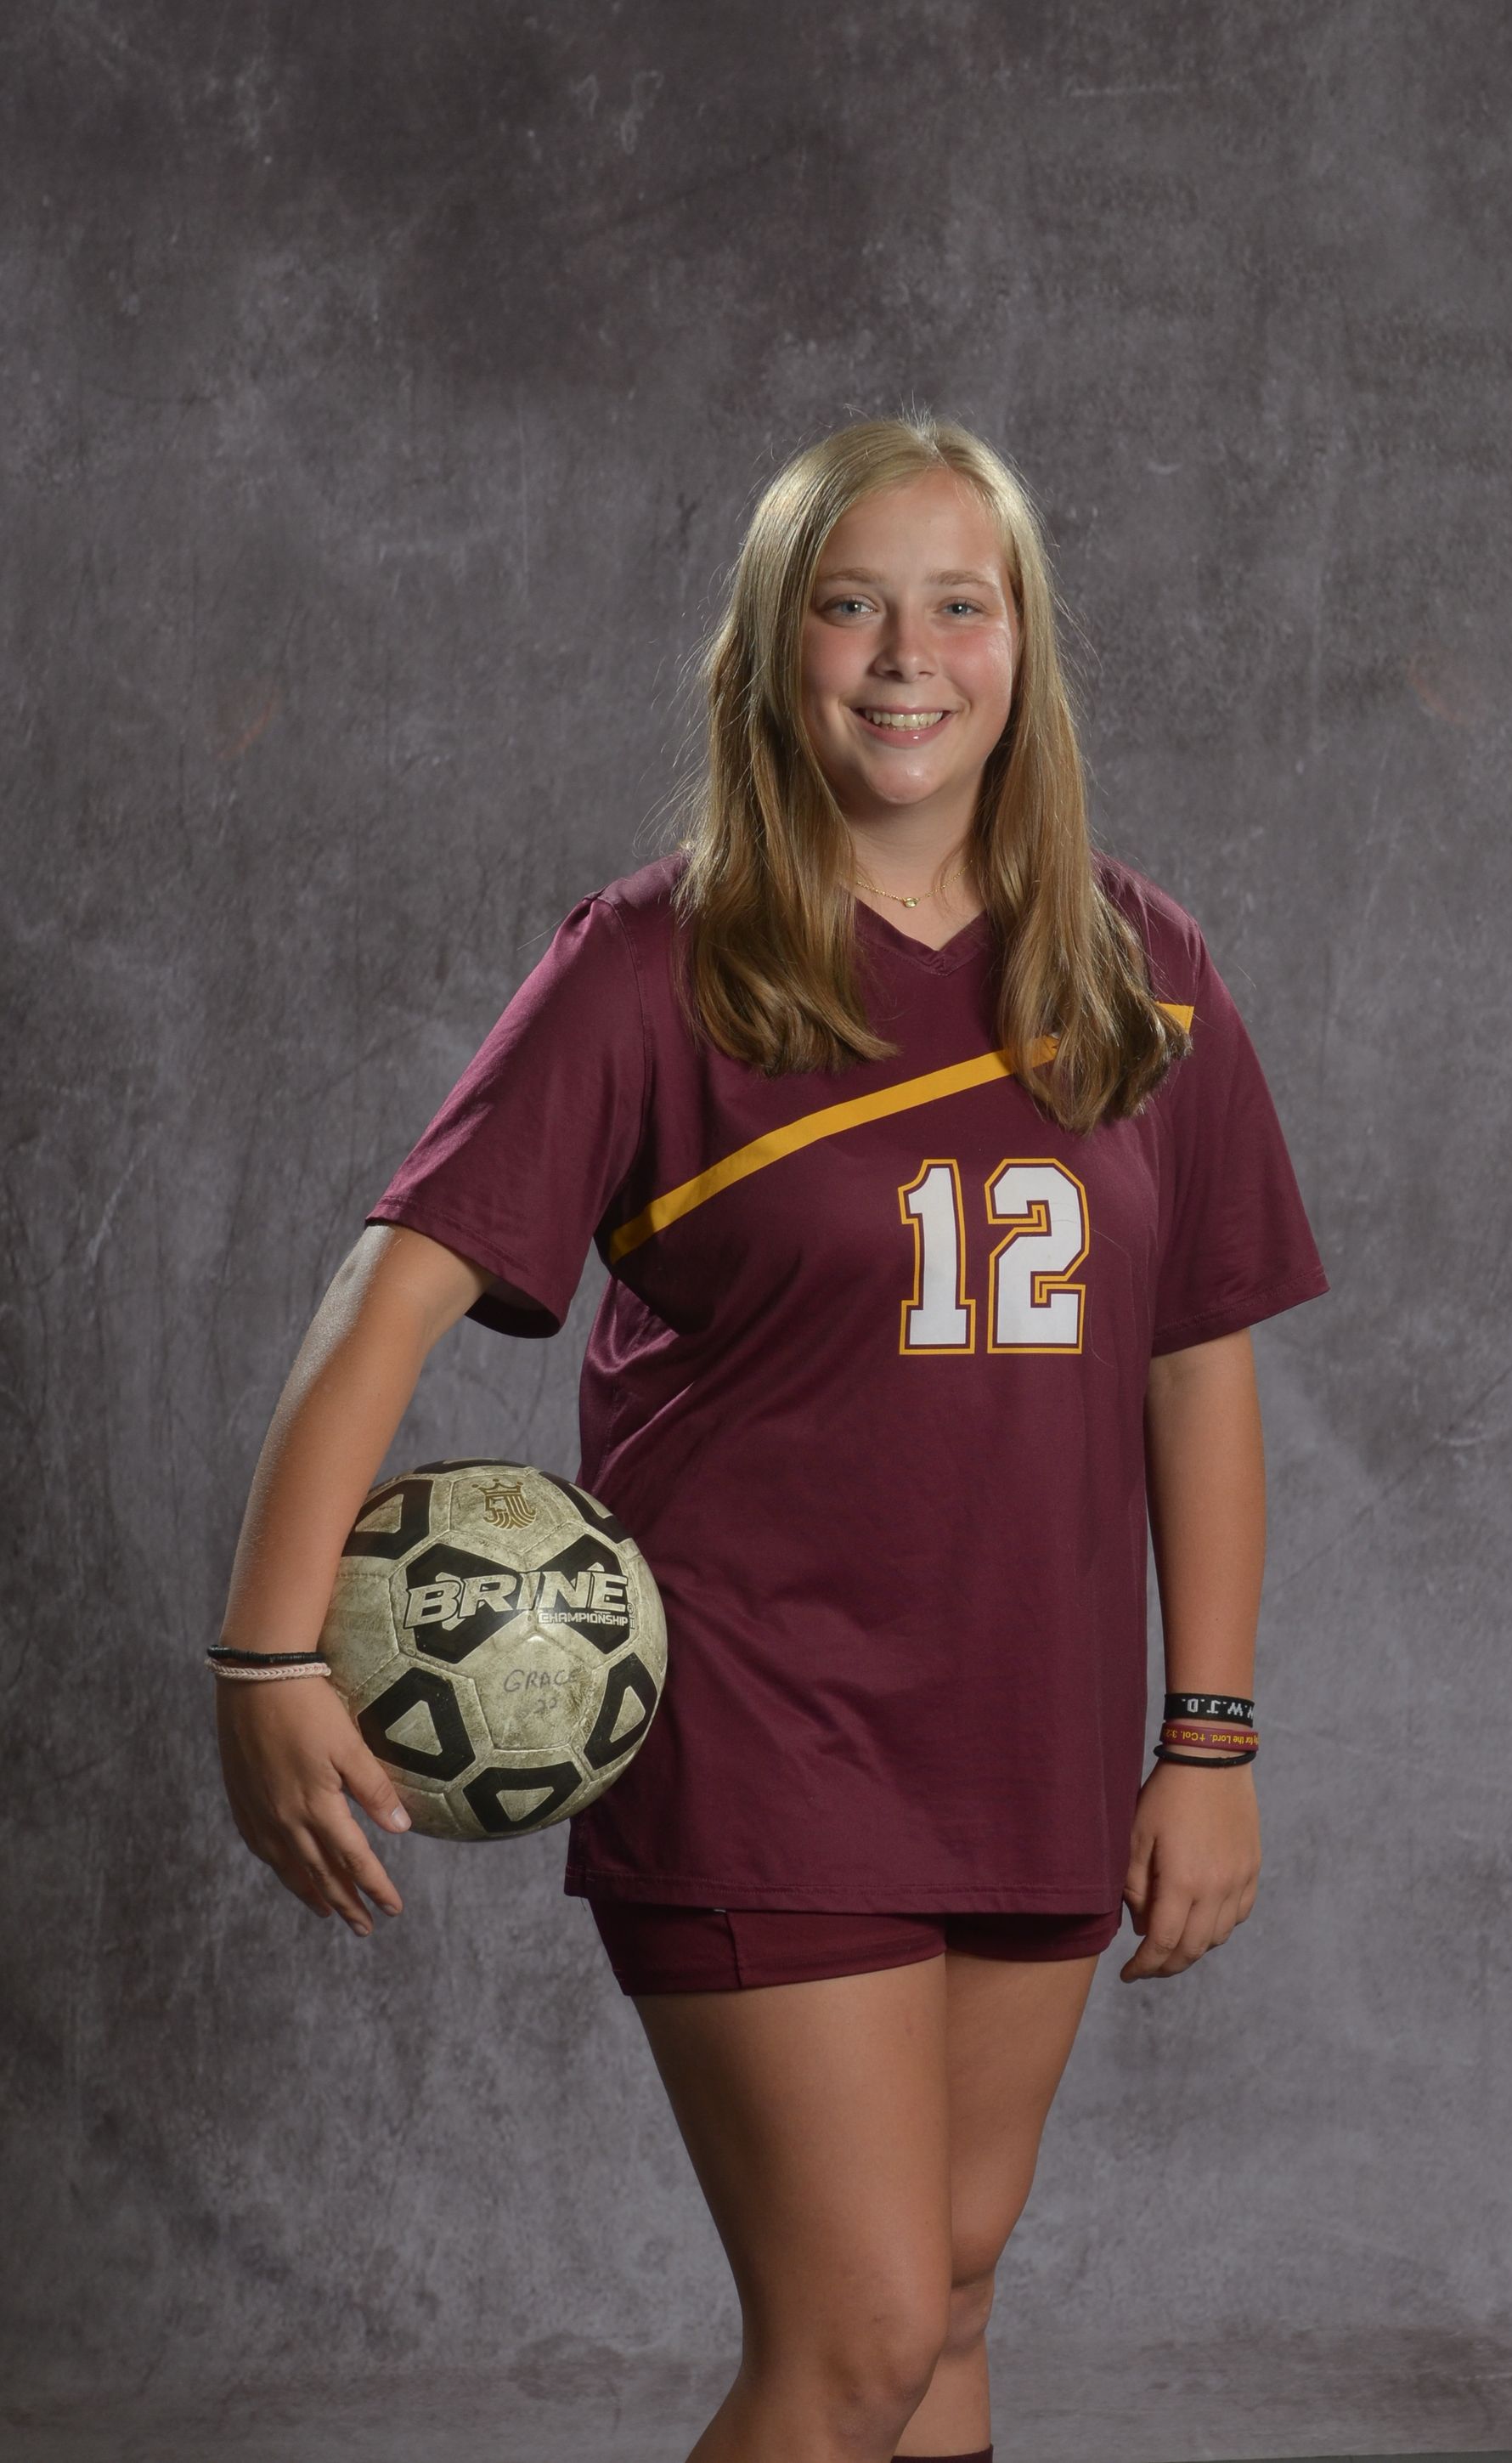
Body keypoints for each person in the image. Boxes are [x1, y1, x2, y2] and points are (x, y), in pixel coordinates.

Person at [214, 413, 1329, 2463]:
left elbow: (1198, 1361)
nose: (906, 656)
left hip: (1033, 1721)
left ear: (1025, 650)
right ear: (768, 652)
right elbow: (393, 1288)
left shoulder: (1143, 975)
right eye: (848, 605)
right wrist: (269, 1650)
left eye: (957, 605)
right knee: (860, 2334)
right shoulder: (659, 960)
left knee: (957, 2301)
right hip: (757, 1718)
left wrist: (1214, 1734)